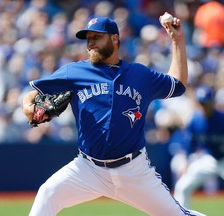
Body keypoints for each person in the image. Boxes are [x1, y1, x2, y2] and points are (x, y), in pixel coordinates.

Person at [22, 16, 206, 216]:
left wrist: (177, 40)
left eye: (96, 37)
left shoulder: (139, 75)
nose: (90, 42)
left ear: (115, 39)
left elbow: (177, 84)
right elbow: (35, 92)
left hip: (134, 170)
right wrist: (27, 106)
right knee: (48, 193)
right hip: (88, 168)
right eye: (88, 38)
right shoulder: (74, 72)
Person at [173, 85, 224, 216]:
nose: (204, 106)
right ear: (198, 103)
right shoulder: (194, 121)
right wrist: (186, 161)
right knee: (182, 187)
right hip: (209, 159)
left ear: (213, 102)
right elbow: (190, 143)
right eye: (202, 103)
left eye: (207, 103)